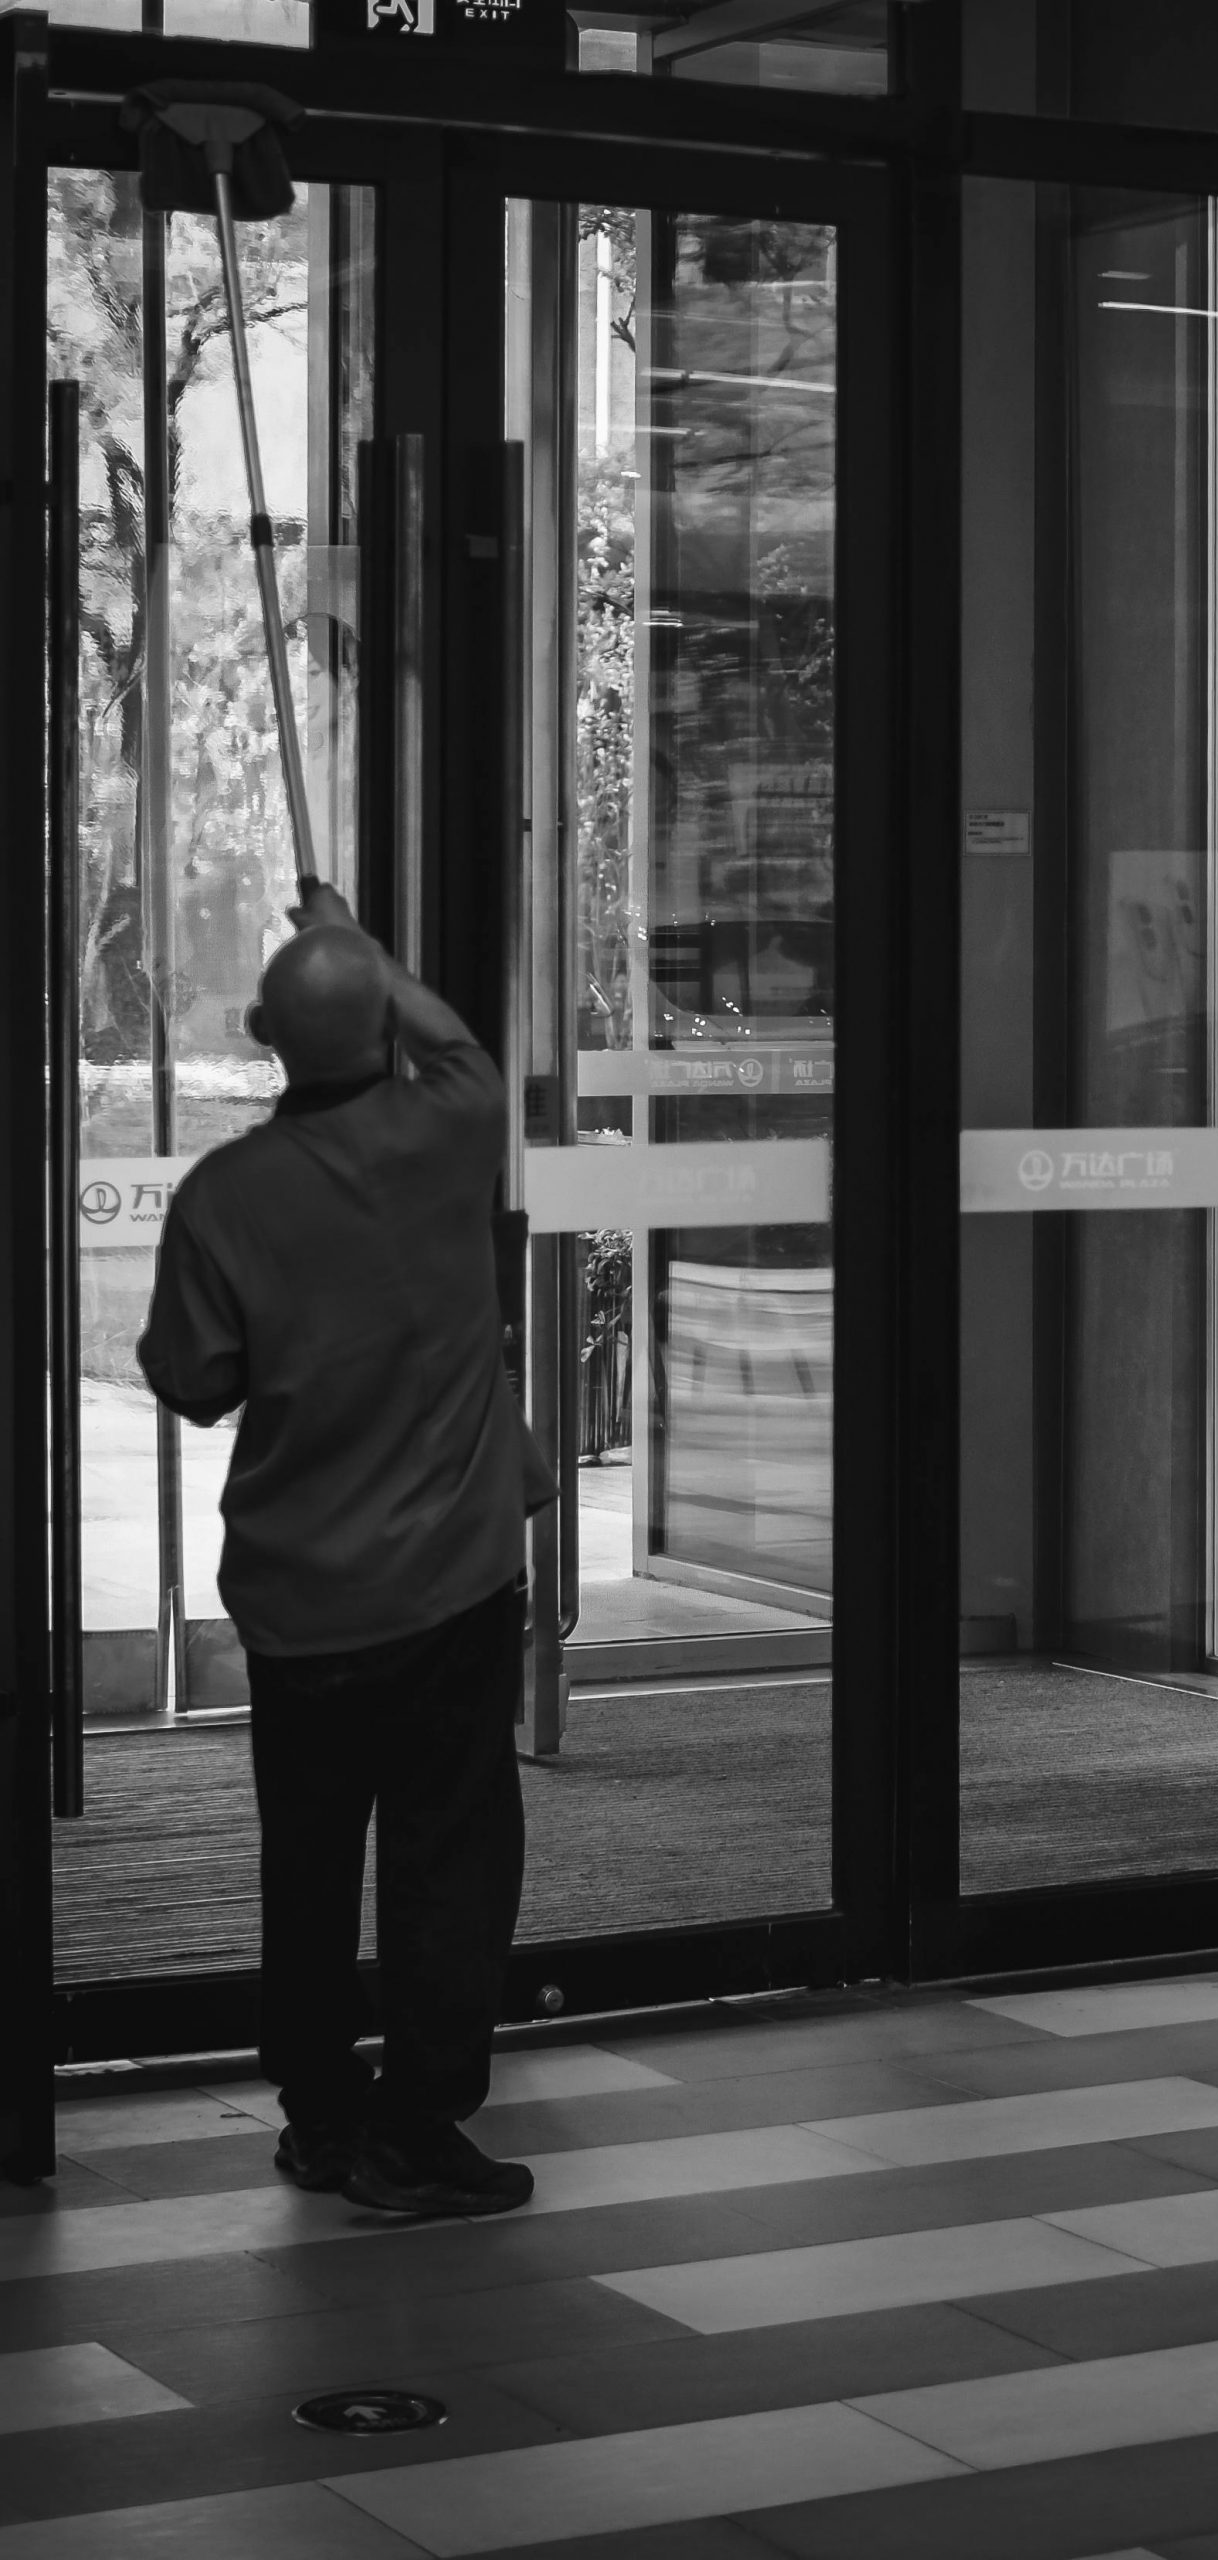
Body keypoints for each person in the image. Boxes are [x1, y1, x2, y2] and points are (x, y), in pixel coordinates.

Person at [138, 883, 556, 2217]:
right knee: (450, 1857)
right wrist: (360, 939)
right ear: (381, 1024)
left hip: (303, 1602)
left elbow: (194, 1381)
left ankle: (320, 2114)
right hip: (450, 1589)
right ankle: (416, 2127)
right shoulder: (449, 1127)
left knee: (307, 1864)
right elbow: (448, 1042)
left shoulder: (224, 1198)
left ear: (264, 1035)